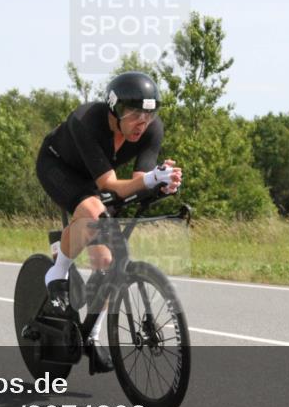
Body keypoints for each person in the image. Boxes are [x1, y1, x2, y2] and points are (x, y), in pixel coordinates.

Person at [35, 71, 182, 373]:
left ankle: (93, 336)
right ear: (114, 110)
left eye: (149, 115)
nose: (143, 122)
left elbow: (139, 181)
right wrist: (151, 180)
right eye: (134, 114)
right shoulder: (86, 120)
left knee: (107, 261)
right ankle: (57, 272)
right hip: (58, 167)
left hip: (94, 178)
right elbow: (111, 183)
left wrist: (161, 182)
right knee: (91, 211)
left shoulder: (151, 131)